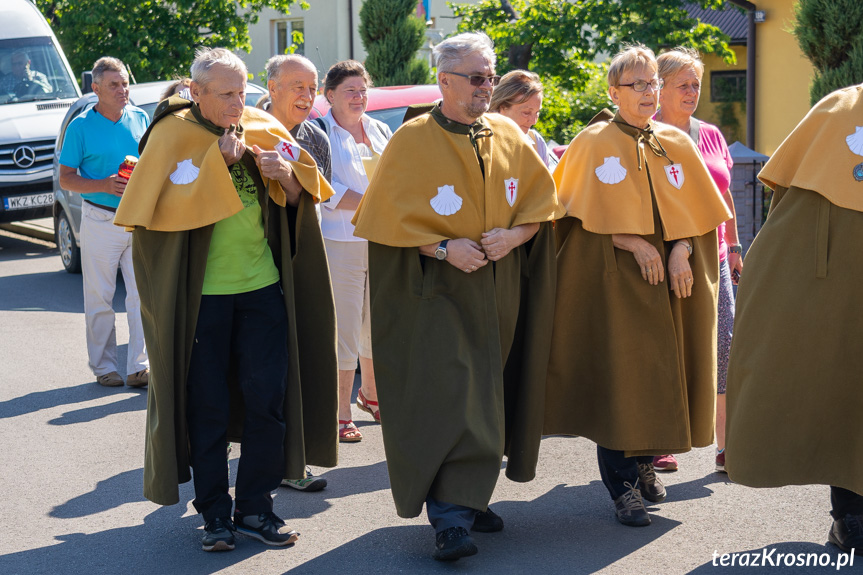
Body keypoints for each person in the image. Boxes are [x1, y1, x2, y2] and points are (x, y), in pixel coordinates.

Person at [113, 48, 338, 552]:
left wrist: (287, 180)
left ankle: (257, 508)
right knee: (207, 409)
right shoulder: (171, 135)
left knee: (268, 404)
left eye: (243, 92)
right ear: (195, 92)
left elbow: (304, 198)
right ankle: (215, 513)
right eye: (226, 95)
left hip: (262, 291)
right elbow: (150, 217)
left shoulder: (259, 126)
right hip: (202, 302)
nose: (239, 104)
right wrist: (215, 165)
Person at [352, 32, 563, 561]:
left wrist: (513, 237)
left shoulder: (509, 136)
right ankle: (449, 518)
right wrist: (443, 248)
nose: (485, 87)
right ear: (444, 81)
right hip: (438, 293)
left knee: (490, 396)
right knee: (452, 396)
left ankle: (469, 496)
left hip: (500, 293)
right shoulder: (413, 139)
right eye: (476, 77)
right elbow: (383, 220)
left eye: (490, 77)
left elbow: (542, 207)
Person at [545, 45, 731, 527]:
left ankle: (647, 461)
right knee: (623, 376)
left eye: (653, 83)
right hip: (615, 281)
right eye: (638, 84)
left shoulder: (674, 141)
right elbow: (569, 213)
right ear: (614, 91)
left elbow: (696, 211)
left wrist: (681, 249)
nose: (649, 92)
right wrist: (631, 240)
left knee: (660, 373)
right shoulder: (592, 142)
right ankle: (622, 484)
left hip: (671, 281)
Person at [725, 84, 863, 556]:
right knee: (845, 393)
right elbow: (787, 201)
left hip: (828, 275)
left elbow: (782, 199)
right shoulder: (839, 109)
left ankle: (852, 519)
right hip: (829, 280)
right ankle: (852, 519)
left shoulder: (837, 109)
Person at [652, 47, 744, 474]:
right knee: (667, 346)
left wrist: (735, 246)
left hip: (715, 253)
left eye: (696, 84)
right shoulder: (646, 133)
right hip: (664, 250)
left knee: (724, 346)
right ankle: (661, 440)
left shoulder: (709, 133)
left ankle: (727, 447)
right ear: (660, 88)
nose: (692, 92)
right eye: (683, 85)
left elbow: (724, 194)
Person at [264, 53, 333, 492]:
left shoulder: (315, 137)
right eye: (297, 87)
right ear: (271, 88)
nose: (307, 97)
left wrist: (290, 181)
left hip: (300, 263)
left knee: (298, 359)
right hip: (250, 263)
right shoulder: (245, 128)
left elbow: (313, 202)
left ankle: (293, 461)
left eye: (313, 88)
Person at [58, 56, 150, 388]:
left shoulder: (141, 118)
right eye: (114, 84)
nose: (123, 89)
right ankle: (104, 367)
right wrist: (103, 183)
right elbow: (66, 178)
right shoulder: (80, 127)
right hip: (100, 218)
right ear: (95, 89)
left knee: (142, 296)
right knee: (100, 296)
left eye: (125, 82)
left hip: (137, 219)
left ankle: (139, 366)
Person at [319, 60, 391, 442]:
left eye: (363, 90)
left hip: (379, 240)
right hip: (340, 241)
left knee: (374, 325)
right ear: (329, 95)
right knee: (344, 328)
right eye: (351, 90)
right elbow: (323, 185)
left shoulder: (379, 128)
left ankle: (372, 395)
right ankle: (341, 409)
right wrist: (371, 204)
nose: (359, 97)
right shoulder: (320, 132)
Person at [488, 69, 558, 170]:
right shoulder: (481, 141)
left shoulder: (537, 143)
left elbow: (548, 184)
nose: (534, 121)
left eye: (537, 112)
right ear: (502, 107)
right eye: (526, 113)